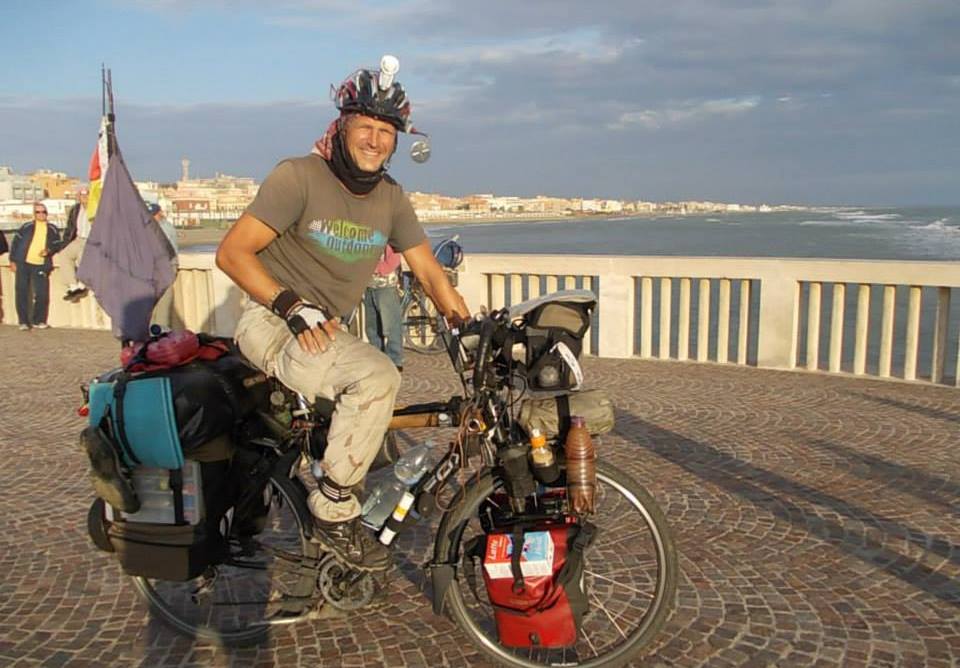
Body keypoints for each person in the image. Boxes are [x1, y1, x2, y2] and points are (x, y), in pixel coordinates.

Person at [216, 57, 469, 571]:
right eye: (365, 127)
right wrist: (290, 305)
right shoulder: (299, 178)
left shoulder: (391, 199)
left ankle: (335, 549)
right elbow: (232, 253)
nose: (375, 140)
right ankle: (333, 509)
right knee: (377, 376)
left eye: (386, 131)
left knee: (372, 430)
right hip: (270, 322)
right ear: (343, 125)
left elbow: (428, 271)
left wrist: (471, 327)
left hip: (325, 332)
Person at [9, 202, 62, 330]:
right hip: (23, 263)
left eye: (43, 212)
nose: (41, 214)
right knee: (22, 291)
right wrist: (12, 260)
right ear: (34, 214)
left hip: (41, 264)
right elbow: (15, 243)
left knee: (42, 293)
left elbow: (58, 244)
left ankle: (39, 320)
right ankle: (23, 322)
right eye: (38, 212)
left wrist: (48, 250)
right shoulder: (26, 227)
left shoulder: (52, 229)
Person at [362, 244, 404, 370]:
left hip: (386, 286)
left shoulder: (389, 238)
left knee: (391, 327)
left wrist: (375, 268)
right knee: (372, 328)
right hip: (369, 286)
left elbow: (393, 260)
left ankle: (395, 361)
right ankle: (377, 359)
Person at [147, 202, 179, 329]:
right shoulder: (151, 227)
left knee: (164, 299)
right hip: (156, 267)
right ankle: (155, 328)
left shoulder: (165, 228)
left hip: (166, 266)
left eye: (153, 215)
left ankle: (161, 328)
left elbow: (165, 250)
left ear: (159, 213)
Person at [57, 187, 91, 300]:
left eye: (86, 194)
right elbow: (70, 228)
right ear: (78, 197)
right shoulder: (75, 210)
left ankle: (82, 285)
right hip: (78, 239)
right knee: (64, 256)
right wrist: (64, 244)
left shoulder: (96, 209)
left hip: (91, 240)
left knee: (82, 255)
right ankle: (73, 286)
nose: (84, 197)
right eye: (82, 194)